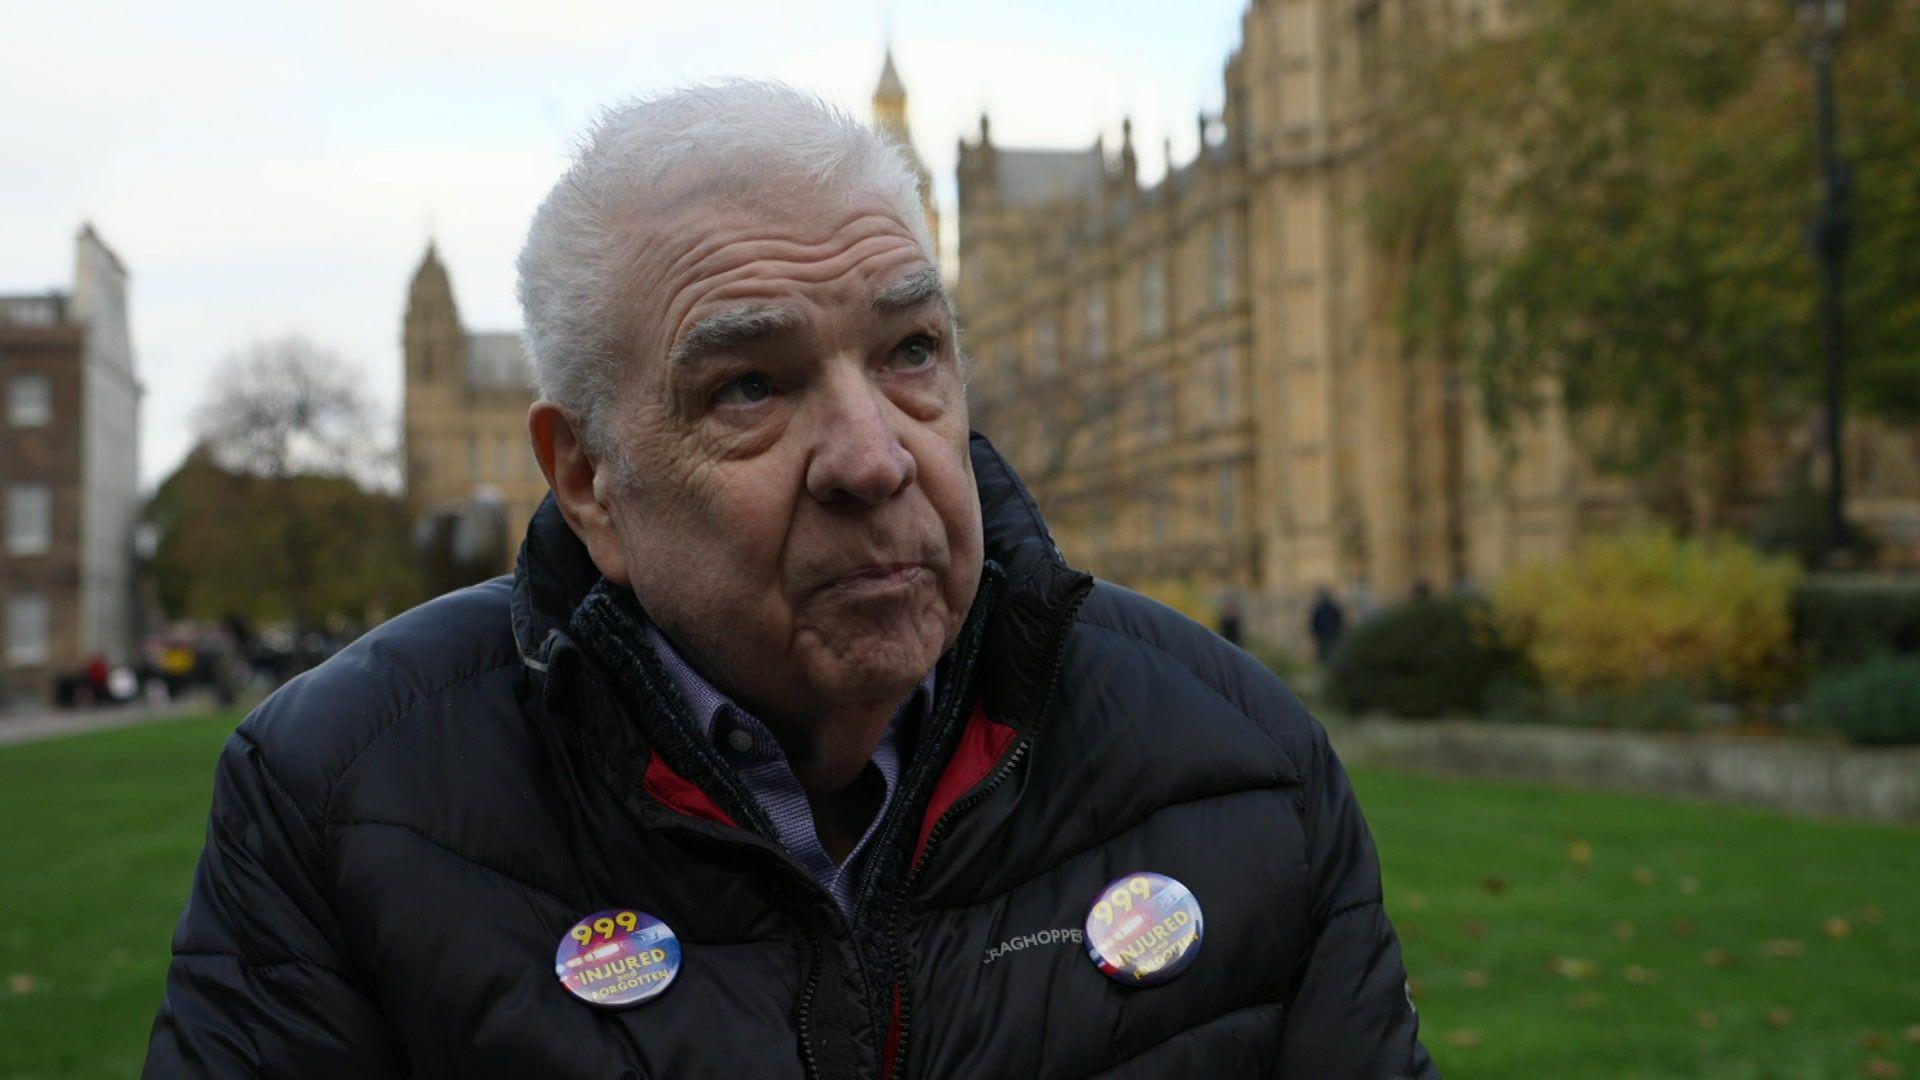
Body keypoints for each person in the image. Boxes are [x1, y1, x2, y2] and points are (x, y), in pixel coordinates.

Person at [145, 81, 1435, 1078]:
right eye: (751, 385)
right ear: (587, 477)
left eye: (912, 351)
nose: (877, 459)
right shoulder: (334, 801)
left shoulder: (1247, 763)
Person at [1310, 585, 1348, 664]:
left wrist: (1317, 635)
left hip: (1324, 638)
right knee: (1332, 656)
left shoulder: (1319, 609)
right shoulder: (1333, 608)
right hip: (1332, 637)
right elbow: (1341, 622)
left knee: (1326, 657)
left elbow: (1314, 624)